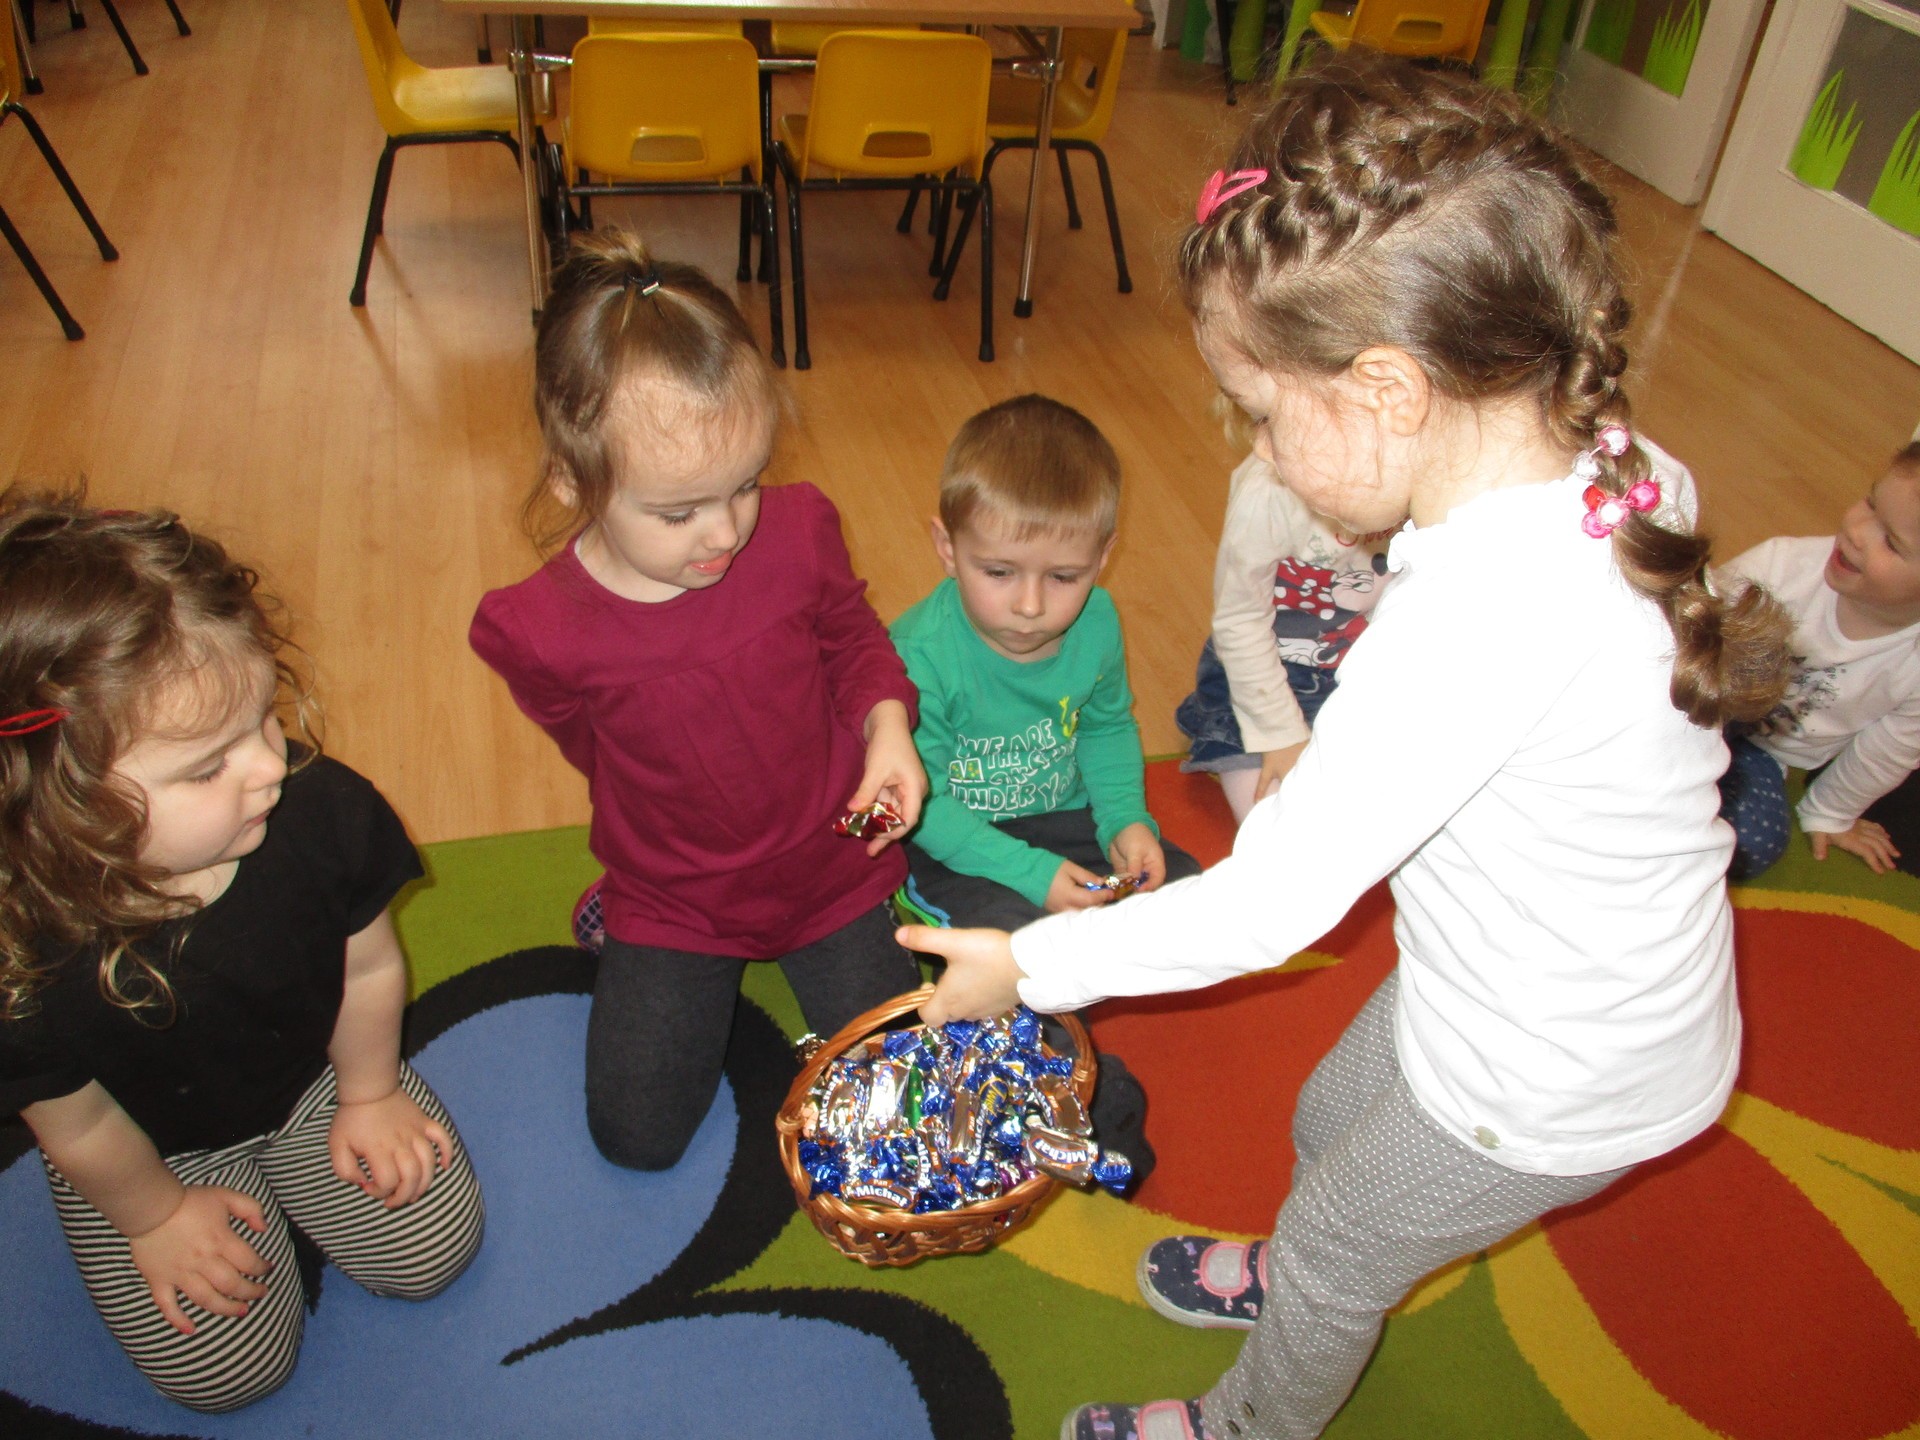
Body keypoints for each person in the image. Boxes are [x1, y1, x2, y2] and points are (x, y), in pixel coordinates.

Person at [897, 55, 1792, 1440]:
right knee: (1328, 1117)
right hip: (1515, 985)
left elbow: (1264, 910)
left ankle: (1250, 1415)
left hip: (1555, 1075)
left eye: (1260, 413)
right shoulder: (1597, 457)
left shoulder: (1478, 621)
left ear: (1386, 389)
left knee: (1334, 1262)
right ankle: (1306, 1272)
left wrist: (1030, 965)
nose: (1255, 450)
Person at [0, 497, 484, 1413]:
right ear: (60, 804)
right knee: (226, 1376)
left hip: (311, 1081)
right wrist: (154, 1216)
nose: (269, 767)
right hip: (146, 1148)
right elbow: (79, 1123)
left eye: (263, 718)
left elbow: (368, 970)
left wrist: (369, 1092)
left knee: (433, 1253)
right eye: (206, 766)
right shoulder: (20, 954)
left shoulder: (318, 811)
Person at [469, 230, 926, 1173]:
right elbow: (591, 746)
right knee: (636, 1139)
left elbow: (851, 638)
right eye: (678, 512)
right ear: (573, 480)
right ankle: (615, 912)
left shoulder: (798, 531)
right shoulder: (536, 628)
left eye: (745, 484)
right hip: (677, 897)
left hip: (832, 868)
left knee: (900, 1108)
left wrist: (887, 728)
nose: (723, 532)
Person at [889, 394, 1200, 1188]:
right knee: (1013, 965)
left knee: (1187, 889)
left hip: (1061, 822)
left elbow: (1106, 725)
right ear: (945, 546)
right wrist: (1033, 878)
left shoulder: (1098, 621)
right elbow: (924, 806)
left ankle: (1068, 982)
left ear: (1104, 557)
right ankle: (1089, 1103)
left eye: (1064, 577)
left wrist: (1126, 820)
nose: (1030, 607)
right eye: (998, 573)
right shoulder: (920, 652)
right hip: (955, 848)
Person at [1716, 440, 1920, 879]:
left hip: (1763, 753)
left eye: (1891, 542)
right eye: (1870, 504)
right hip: (1698, 707)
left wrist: (1830, 812)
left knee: (1751, 843)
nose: (1857, 531)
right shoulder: (1782, 566)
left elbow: (1886, 752)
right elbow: (1685, 631)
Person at [1176, 452, 1396, 822]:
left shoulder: (1432, 481)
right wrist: (1280, 735)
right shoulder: (1268, 490)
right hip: (1265, 673)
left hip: (1363, 669)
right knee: (1279, 822)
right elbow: (1240, 621)